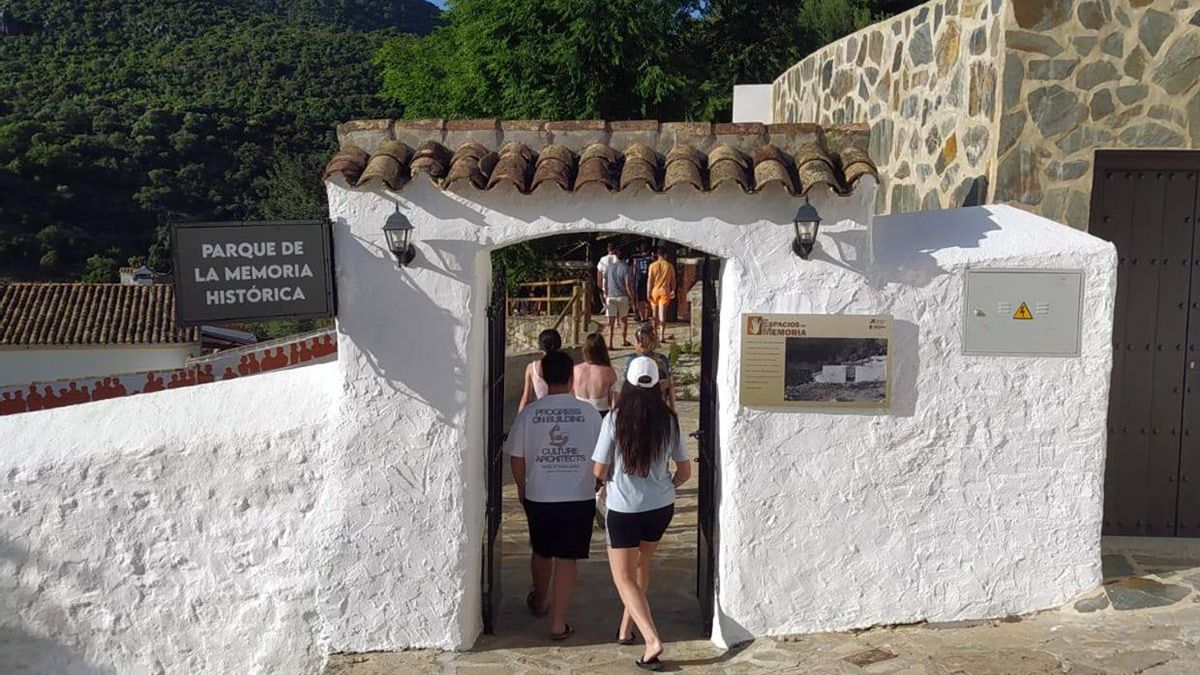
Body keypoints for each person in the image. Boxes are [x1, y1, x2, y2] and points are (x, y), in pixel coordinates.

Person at [592, 356, 691, 671]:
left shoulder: (615, 419)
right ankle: (626, 627)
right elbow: (685, 471)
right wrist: (668, 486)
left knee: (623, 577)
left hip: (624, 508)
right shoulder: (669, 420)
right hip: (660, 506)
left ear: (629, 384)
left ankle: (651, 639)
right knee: (641, 566)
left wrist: (607, 482)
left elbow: (599, 467)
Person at [506, 350, 603, 641]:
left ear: (543, 376)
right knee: (567, 557)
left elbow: (516, 457)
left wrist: (522, 487)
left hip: (540, 494)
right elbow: (602, 453)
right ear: (571, 377)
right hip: (578, 493)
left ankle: (540, 600)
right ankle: (558, 622)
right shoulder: (588, 413)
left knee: (541, 548)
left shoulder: (530, 414)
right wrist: (596, 481)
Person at [624, 323, 675, 411]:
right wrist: (673, 410)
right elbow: (670, 385)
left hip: (637, 405)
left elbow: (627, 385)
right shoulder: (662, 359)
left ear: (638, 342)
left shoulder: (633, 360)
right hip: (659, 404)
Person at [573, 333, 618, 416]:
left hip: (579, 414)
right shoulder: (609, 372)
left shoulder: (575, 370)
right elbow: (614, 402)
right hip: (600, 414)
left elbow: (570, 395)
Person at [519, 329, 562, 412]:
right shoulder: (567, 366)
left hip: (541, 413)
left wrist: (519, 420)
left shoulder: (532, 368)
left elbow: (526, 397)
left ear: (541, 346)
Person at [602, 247, 635, 348]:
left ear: (615, 255)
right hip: (623, 296)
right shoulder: (626, 268)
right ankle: (624, 340)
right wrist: (632, 298)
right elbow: (628, 284)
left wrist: (606, 294)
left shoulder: (609, 267)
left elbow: (605, 282)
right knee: (624, 320)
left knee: (610, 322)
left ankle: (610, 343)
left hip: (611, 296)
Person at [646, 248, 675, 343]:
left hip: (655, 291)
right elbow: (673, 280)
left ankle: (655, 334)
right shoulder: (669, 266)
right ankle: (662, 335)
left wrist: (648, 292)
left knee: (654, 315)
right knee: (662, 315)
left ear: (657, 255)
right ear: (665, 255)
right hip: (664, 291)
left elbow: (650, 280)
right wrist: (673, 290)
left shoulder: (652, 266)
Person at [629, 246, 653, 322]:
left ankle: (642, 317)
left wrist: (633, 280)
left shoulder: (636, 258)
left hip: (639, 280)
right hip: (647, 280)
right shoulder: (650, 259)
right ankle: (646, 317)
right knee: (648, 300)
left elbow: (634, 270)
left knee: (640, 300)